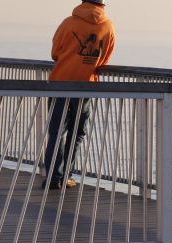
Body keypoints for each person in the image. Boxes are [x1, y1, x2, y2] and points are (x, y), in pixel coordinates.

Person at [43, 0, 116, 190]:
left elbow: (55, 52)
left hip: (60, 82)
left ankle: (53, 177)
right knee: (77, 133)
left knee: (56, 131)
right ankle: (67, 176)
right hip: (85, 86)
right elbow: (104, 59)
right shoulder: (108, 27)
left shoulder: (68, 23)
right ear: (102, 5)